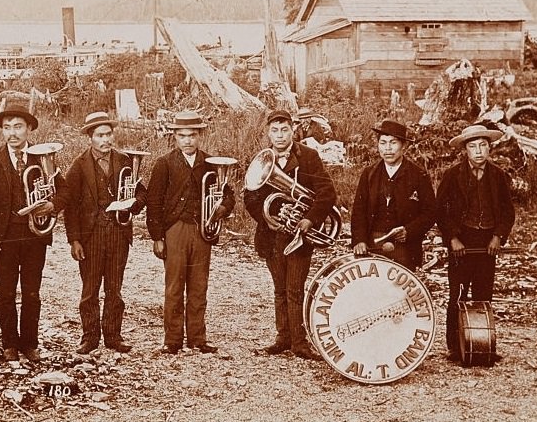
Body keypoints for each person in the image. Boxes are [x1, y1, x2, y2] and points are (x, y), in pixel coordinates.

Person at [244, 110, 337, 360]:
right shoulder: (263, 159)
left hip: (299, 236)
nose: (280, 135)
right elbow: (250, 198)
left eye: (284, 129)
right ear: (268, 133)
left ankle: (299, 342)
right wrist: (272, 217)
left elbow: (327, 192)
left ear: (293, 130)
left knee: (295, 289)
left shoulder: (308, 156)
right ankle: (283, 337)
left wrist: (309, 218)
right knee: (279, 290)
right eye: (274, 130)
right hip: (273, 235)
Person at [146, 110, 234, 354]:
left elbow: (228, 194)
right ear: (174, 136)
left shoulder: (212, 163)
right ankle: (172, 339)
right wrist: (157, 237)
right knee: (174, 286)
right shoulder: (164, 163)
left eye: (192, 135)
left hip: (202, 231)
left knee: (198, 286)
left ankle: (197, 337)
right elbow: (153, 202)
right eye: (182, 136)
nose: (188, 140)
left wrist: (222, 208)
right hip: (174, 230)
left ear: (200, 136)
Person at [0, 104, 64, 363]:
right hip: (5, 236)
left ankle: (29, 343)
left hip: (34, 236)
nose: (12, 133)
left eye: (18, 127)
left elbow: (65, 191)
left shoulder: (42, 157)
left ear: (29, 129)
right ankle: (9, 344)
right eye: (7, 128)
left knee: (31, 292)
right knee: (5, 292)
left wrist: (53, 205)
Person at [63, 111, 146, 354]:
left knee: (114, 288)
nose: (105, 140)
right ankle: (90, 337)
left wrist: (133, 205)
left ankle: (113, 336)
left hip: (118, 233)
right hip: (91, 236)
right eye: (100, 135)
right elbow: (71, 207)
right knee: (89, 289)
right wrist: (74, 240)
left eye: (108, 134)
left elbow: (142, 192)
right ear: (90, 137)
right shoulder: (78, 166)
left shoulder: (124, 160)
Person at [436, 124, 515, 363]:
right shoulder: (453, 175)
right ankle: (454, 346)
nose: (478, 151)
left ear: (490, 148)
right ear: (465, 150)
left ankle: (483, 344)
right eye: (473, 146)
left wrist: (498, 236)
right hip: (462, 242)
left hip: (486, 243)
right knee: (457, 295)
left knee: (484, 295)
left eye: (483, 146)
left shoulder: (498, 175)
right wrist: (452, 238)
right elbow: (440, 211)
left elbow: (507, 212)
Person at [350, 119, 437, 269]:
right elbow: (359, 210)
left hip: (405, 246)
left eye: (393, 143)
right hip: (373, 243)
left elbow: (430, 212)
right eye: (383, 143)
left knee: (399, 291)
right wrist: (359, 240)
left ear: (404, 146)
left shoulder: (418, 175)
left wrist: (409, 231)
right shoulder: (369, 173)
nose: (388, 149)